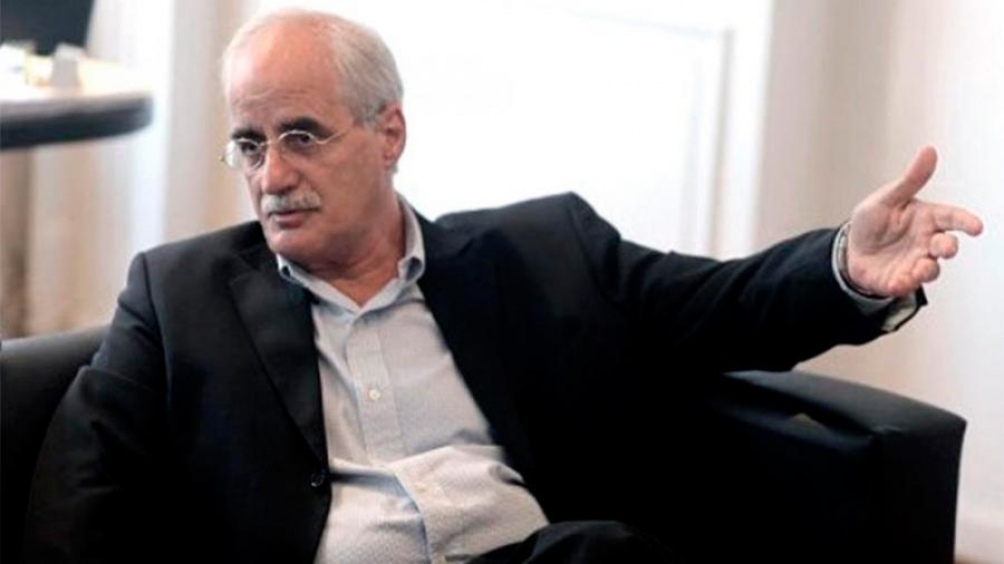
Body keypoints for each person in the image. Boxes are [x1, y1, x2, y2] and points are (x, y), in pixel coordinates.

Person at [23, 7, 983, 564]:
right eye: (248, 143)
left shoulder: (540, 253)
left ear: (389, 133)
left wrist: (846, 267)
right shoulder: (179, 295)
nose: (272, 174)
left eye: (301, 136)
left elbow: (723, 308)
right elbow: (76, 503)